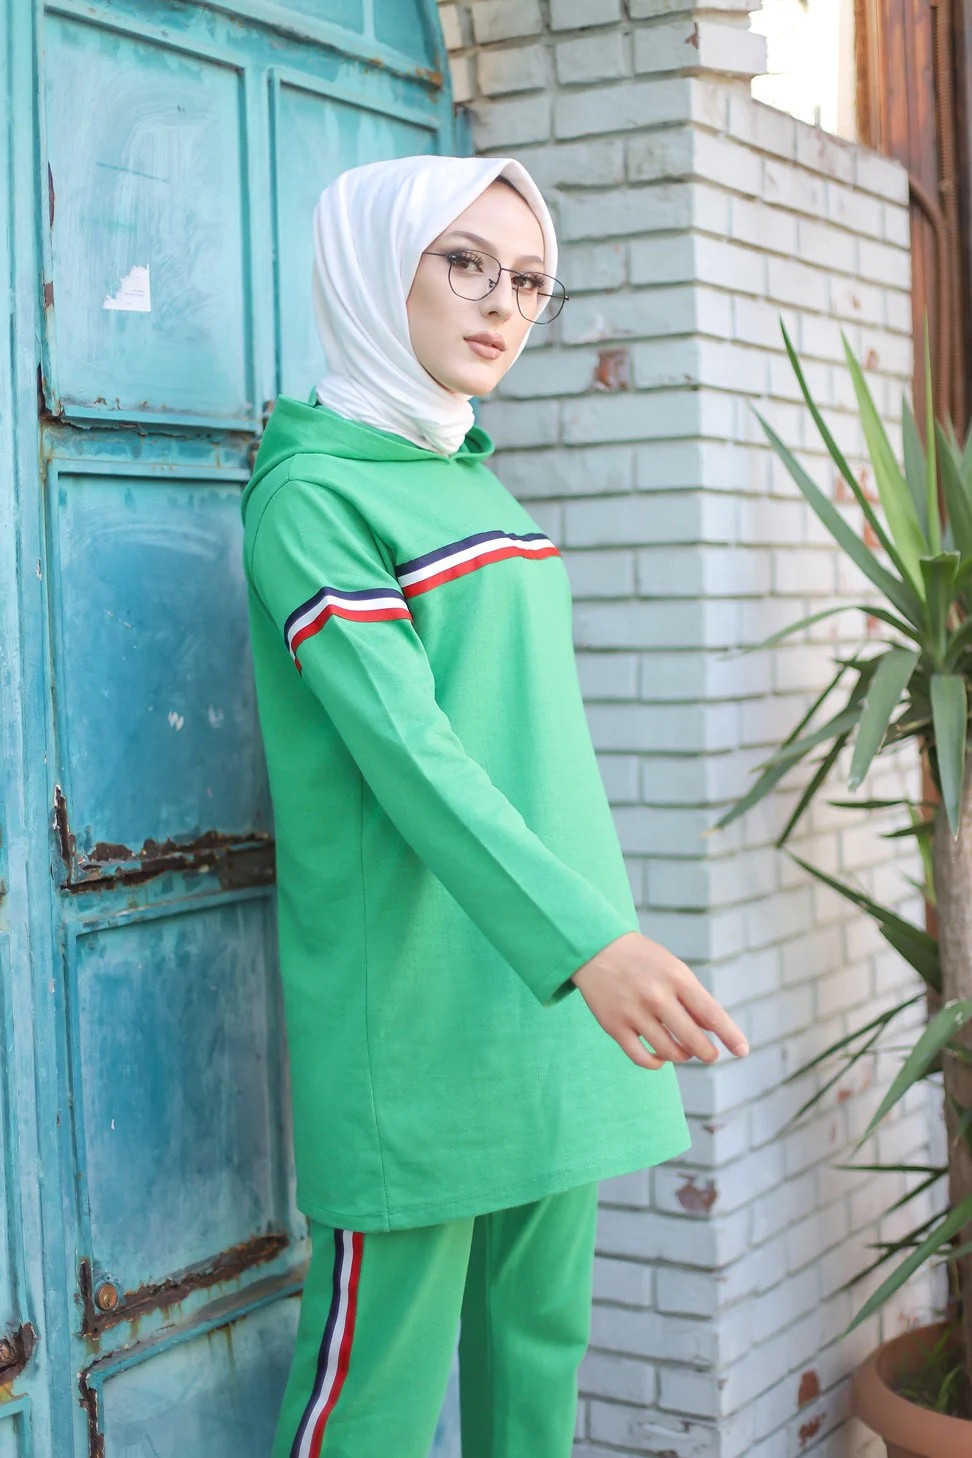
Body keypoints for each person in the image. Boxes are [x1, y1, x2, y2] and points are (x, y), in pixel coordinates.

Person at [240, 153, 749, 1458]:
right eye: (465, 262)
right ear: (376, 268)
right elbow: (410, 755)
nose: (502, 306)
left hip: (559, 998)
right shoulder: (314, 495)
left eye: (528, 280)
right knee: (375, 1394)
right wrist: (589, 943)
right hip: (422, 1009)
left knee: (537, 1365)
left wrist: (592, 946)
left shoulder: (473, 476)